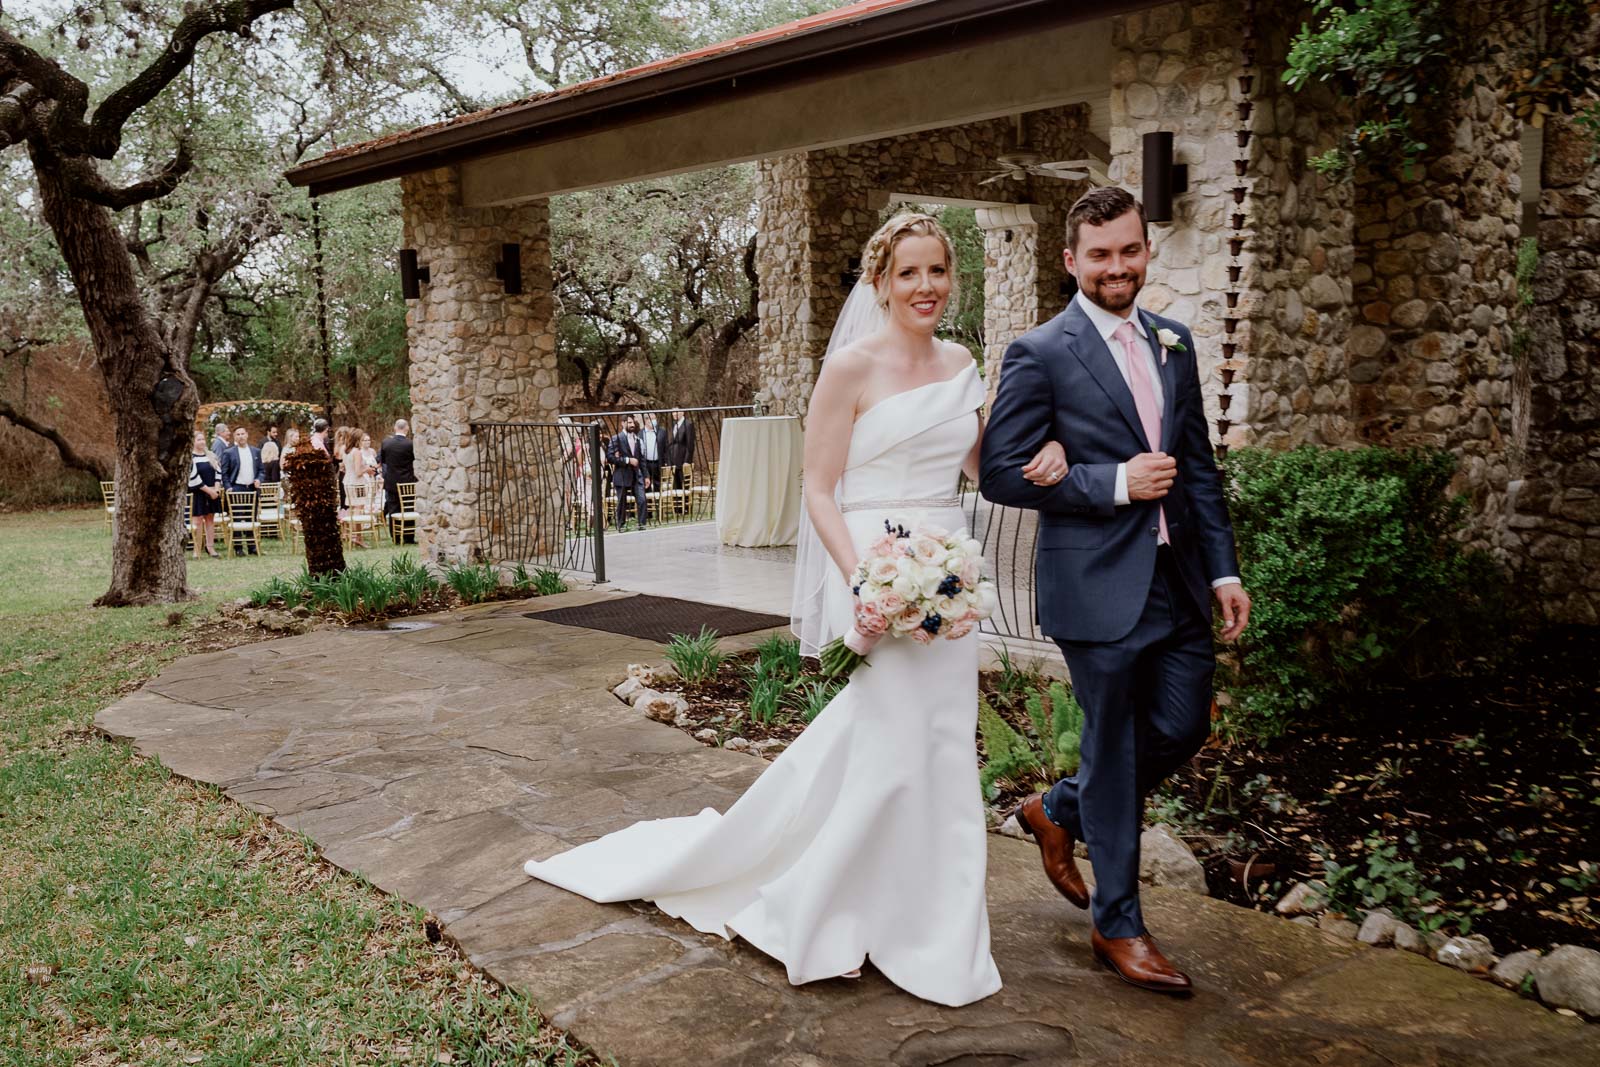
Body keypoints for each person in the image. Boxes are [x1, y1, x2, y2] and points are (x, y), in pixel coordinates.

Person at [524, 213, 1066, 1007]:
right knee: (886, 747)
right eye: (908, 272)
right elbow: (817, 489)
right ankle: (830, 914)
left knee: (943, 752)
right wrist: (864, 583)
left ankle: (936, 926)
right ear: (880, 282)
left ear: (953, 278)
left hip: (949, 578)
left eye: (938, 272)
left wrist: (1041, 458)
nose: (925, 287)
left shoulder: (960, 363)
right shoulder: (849, 367)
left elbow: (982, 469)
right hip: (879, 566)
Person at [979, 187, 1252, 995]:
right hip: (1096, 586)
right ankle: (1118, 923)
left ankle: (1056, 809)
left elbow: (1197, 462)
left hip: (1177, 582)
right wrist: (1112, 482)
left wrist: (1223, 569)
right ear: (1071, 261)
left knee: (1180, 725)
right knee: (1117, 739)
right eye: (1099, 255)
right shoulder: (1042, 351)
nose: (1116, 267)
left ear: (1145, 250)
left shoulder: (1176, 341)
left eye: (1128, 251)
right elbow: (1000, 470)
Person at [219, 426, 262, 555]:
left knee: (251, 517)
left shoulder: (255, 451)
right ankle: (238, 548)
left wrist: (259, 479)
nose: (241, 436)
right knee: (237, 517)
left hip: (252, 488)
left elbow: (261, 470)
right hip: (236, 488)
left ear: (247, 435)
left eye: (243, 433)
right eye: (238, 434)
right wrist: (228, 487)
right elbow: (224, 473)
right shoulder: (229, 452)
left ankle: (252, 547)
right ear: (234, 437)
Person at [606, 415, 650, 530]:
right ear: (623, 423)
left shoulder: (637, 439)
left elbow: (642, 459)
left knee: (642, 499)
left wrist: (646, 476)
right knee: (622, 502)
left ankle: (642, 524)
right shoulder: (616, 438)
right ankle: (620, 525)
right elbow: (610, 457)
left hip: (636, 475)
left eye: (633, 423)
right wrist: (627, 460)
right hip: (622, 474)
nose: (632, 425)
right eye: (629, 423)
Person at [378, 418, 416, 541]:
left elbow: (382, 460)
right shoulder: (410, 444)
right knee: (408, 507)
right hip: (407, 480)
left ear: (395, 428)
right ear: (407, 429)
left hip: (391, 480)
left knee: (393, 508)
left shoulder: (386, 443)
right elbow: (414, 460)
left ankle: (396, 536)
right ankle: (409, 537)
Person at [187, 430, 222, 558]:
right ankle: (197, 549)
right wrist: (209, 490)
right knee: (197, 521)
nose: (202, 442)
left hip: (213, 491)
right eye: (198, 439)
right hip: (198, 492)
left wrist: (216, 489)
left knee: (210, 520)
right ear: (193, 442)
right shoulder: (191, 457)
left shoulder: (211, 455)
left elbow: (218, 472)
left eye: (203, 439)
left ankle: (210, 547)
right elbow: (193, 477)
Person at [339, 426, 373, 547]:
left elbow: (342, 467)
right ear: (358, 439)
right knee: (358, 509)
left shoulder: (345, 450)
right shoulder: (356, 452)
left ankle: (357, 536)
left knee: (353, 509)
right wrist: (367, 469)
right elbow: (358, 471)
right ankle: (356, 536)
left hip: (348, 482)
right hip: (357, 483)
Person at [640, 412, 663, 501]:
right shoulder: (641, 434)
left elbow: (665, 448)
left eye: (655, 419)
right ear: (646, 420)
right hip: (646, 463)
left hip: (657, 462)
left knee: (658, 484)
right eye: (652, 419)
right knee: (646, 485)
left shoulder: (661, 432)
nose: (654, 421)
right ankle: (648, 510)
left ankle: (658, 507)